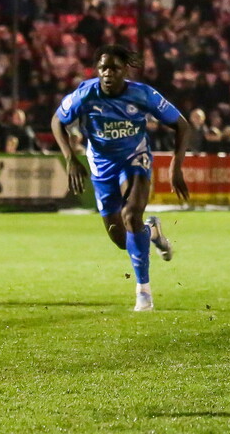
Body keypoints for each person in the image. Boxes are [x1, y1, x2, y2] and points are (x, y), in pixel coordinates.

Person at [51, 44, 190, 312]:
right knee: (120, 239)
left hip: (135, 158)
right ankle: (151, 232)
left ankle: (143, 292)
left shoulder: (143, 94)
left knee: (131, 214)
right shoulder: (85, 95)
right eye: (103, 68)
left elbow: (181, 125)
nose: (108, 73)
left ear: (125, 70)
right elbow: (57, 121)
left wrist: (176, 166)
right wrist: (70, 158)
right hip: (102, 166)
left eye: (114, 68)